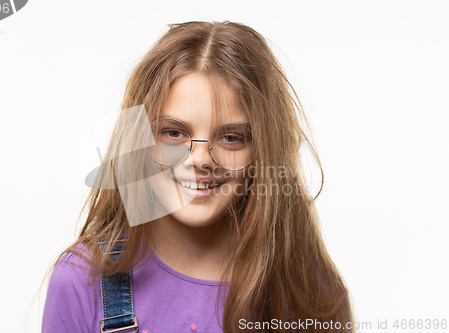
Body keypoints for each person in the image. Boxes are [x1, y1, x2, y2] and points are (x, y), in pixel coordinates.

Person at [41, 21, 355, 333]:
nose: (201, 160)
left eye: (231, 138)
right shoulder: (82, 280)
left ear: (263, 152)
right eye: (174, 133)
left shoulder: (309, 291)